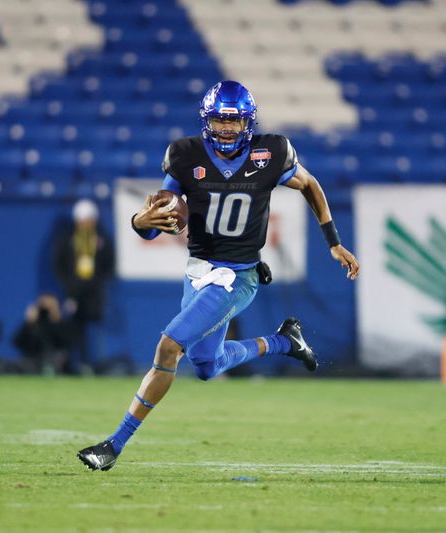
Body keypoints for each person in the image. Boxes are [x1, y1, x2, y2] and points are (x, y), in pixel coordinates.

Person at [77, 80, 360, 471]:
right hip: (198, 272)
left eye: (234, 121)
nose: (227, 129)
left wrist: (333, 241)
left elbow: (309, 184)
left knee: (168, 348)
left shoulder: (272, 152)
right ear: (206, 120)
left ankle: (114, 445)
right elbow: (158, 217)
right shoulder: (184, 154)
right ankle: (283, 342)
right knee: (207, 367)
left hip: (238, 276)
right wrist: (140, 221)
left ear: (248, 122)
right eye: (220, 120)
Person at [52, 198, 115, 373]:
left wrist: (99, 281)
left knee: (95, 327)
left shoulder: (101, 238)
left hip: (94, 290)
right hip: (73, 290)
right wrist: (69, 284)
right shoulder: (67, 239)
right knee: (73, 327)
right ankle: (74, 364)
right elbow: (59, 264)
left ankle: (97, 364)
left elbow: (109, 263)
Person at [12, 293, 70, 375]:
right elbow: (17, 341)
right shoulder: (32, 324)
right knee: (24, 364)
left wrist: (56, 319)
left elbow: (65, 343)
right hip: (33, 359)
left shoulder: (59, 324)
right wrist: (29, 324)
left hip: (53, 358)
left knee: (55, 359)